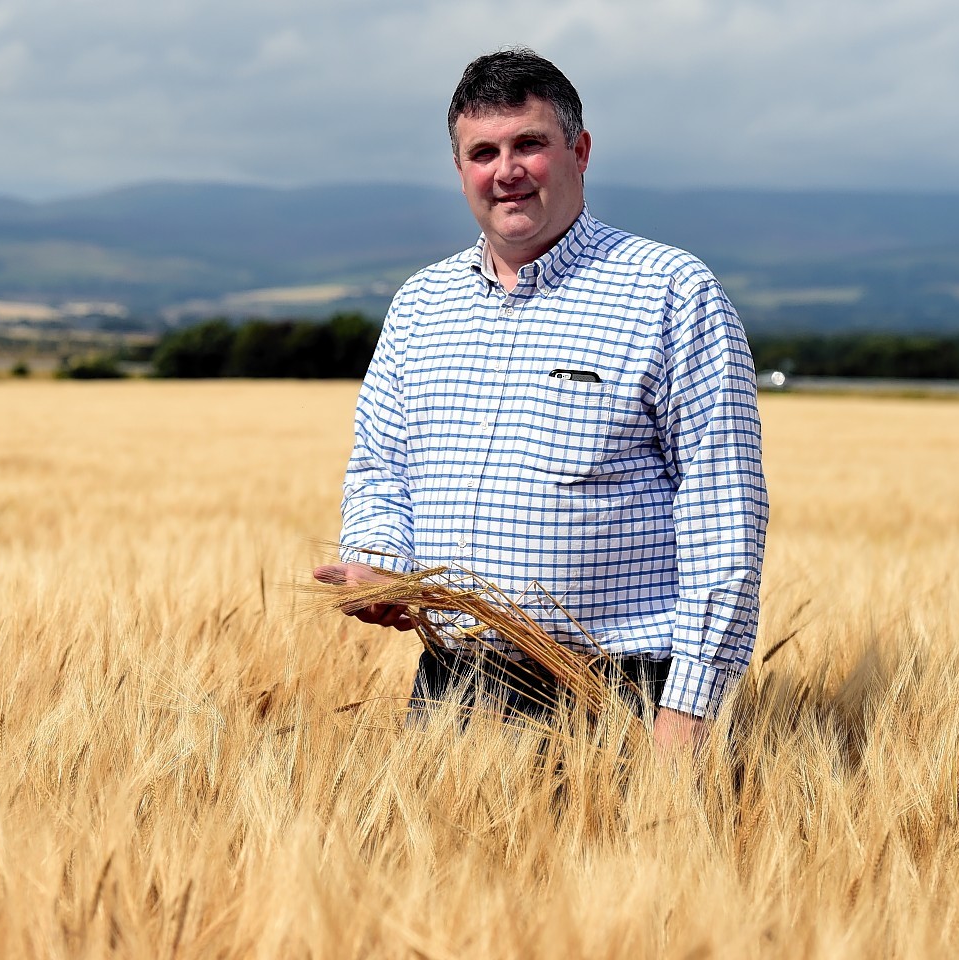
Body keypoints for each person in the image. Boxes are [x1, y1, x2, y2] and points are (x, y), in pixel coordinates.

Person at [313, 48, 768, 750]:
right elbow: (382, 470)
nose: (506, 171)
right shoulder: (420, 305)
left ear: (579, 151)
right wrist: (379, 560)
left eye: (529, 143)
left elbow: (722, 519)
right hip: (453, 692)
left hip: (622, 696)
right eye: (482, 152)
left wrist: (689, 714)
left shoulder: (671, 293)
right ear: (460, 169)